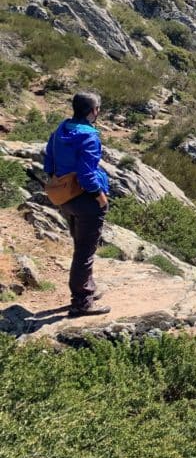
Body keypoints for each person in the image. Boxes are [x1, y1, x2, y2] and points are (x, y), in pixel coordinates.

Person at [44, 91, 112, 317]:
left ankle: (87, 289)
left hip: (64, 197)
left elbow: (48, 163)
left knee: (80, 244)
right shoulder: (88, 137)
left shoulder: (60, 130)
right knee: (85, 249)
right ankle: (81, 301)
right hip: (85, 199)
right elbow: (86, 174)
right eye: (98, 109)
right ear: (93, 111)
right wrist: (99, 195)